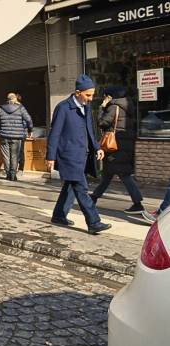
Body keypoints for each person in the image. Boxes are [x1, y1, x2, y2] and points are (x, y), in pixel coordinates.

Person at [46, 75, 112, 234]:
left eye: (92, 95)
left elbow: (90, 130)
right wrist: (50, 156)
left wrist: (97, 147)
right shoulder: (63, 108)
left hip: (83, 154)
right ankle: (94, 222)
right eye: (87, 95)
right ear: (77, 92)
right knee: (81, 189)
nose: (90, 99)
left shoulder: (86, 108)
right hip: (69, 156)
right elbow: (54, 133)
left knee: (70, 186)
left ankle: (58, 215)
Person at [90, 85, 145, 214]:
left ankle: (138, 203)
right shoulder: (127, 106)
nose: (104, 98)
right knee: (108, 174)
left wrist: (101, 108)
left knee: (123, 175)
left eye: (105, 95)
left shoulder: (114, 107)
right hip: (123, 146)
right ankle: (93, 197)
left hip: (115, 147)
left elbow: (102, 123)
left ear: (110, 96)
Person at [0, 92, 33, 181]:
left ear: (7, 100)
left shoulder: (0, 109)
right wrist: (30, 130)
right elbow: (29, 119)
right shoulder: (21, 108)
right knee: (15, 156)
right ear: (14, 99)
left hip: (3, 136)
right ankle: (13, 175)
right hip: (17, 137)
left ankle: (8, 174)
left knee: (6, 156)